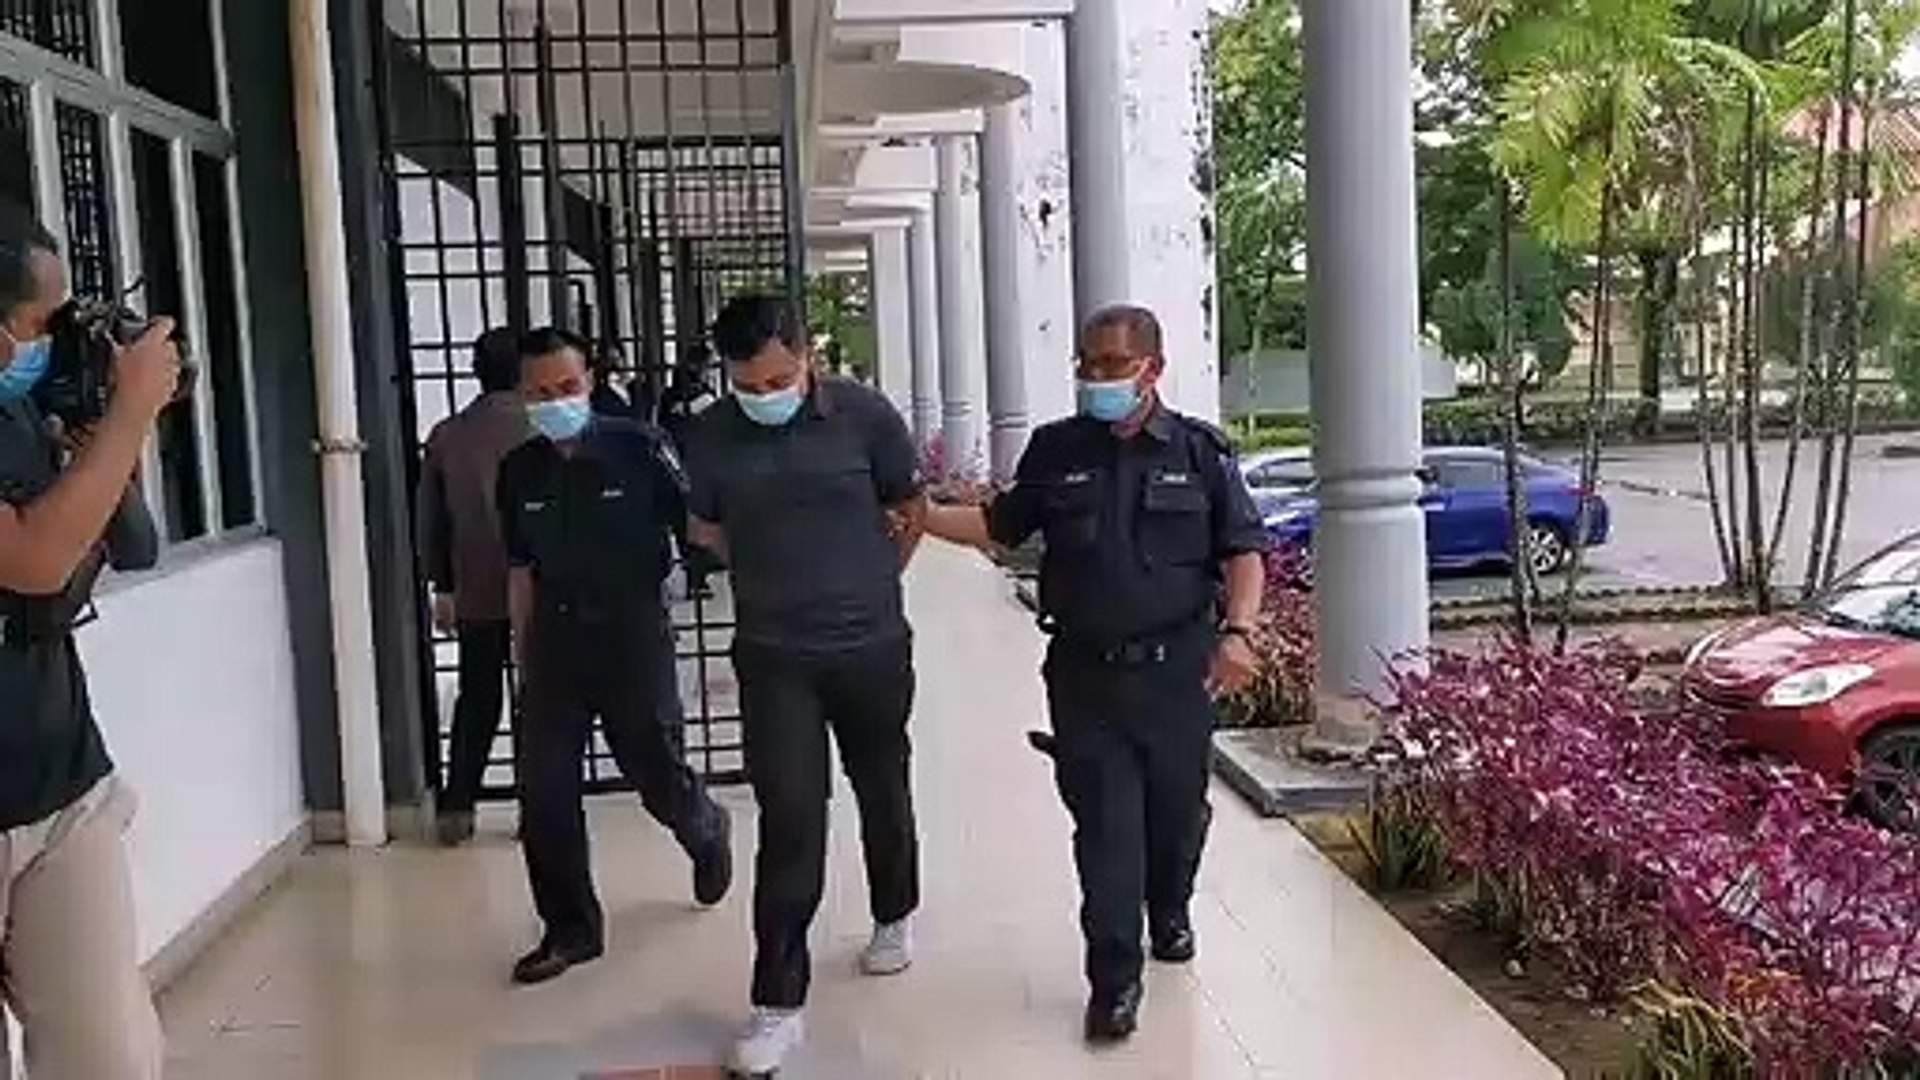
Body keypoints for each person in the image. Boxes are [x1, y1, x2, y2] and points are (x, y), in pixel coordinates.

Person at [923, 304, 1267, 1045]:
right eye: (1087, 363)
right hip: (1085, 677)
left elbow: (1242, 550)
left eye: (1113, 363)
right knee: (1106, 833)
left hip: (1178, 676)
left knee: (1175, 818)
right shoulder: (1056, 449)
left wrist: (1239, 633)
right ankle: (1113, 981)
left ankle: (1170, 906)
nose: (1096, 376)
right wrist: (918, 515)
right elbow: (1000, 526)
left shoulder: (1200, 452)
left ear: (1153, 368)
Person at [685, 295, 926, 1076]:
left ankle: (894, 912)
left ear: (807, 357)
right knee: (790, 818)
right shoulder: (711, 437)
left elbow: (909, 509)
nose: (764, 396)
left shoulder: (866, 418)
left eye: (778, 380)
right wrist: (770, 569)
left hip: (871, 648)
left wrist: (872, 581)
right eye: (747, 386)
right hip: (774, 654)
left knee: (882, 788)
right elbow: (706, 527)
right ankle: (777, 1003)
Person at [0, 202, 181, 1078]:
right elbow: (35, 560)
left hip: (60, 781)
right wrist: (131, 414)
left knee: (110, 1056)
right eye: (42, 325)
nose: (54, 344)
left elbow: (133, 544)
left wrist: (104, 436)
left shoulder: (20, 414)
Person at [495, 326, 733, 986]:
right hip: (555, 642)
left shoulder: (641, 448)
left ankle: (704, 826)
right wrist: (523, 653)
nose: (556, 401)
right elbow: (521, 570)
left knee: (655, 770)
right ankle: (570, 930)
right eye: (540, 393)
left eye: (567, 387)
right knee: (544, 791)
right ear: (523, 396)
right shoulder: (519, 471)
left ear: (591, 381)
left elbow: (697, 527)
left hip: (633, 633)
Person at [419, 327, 533, 846]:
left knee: (478, 696)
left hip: (475, 583)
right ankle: (537, 807)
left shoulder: (448, 436)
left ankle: (458, 804)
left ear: (475, 371)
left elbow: (432, 521)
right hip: (542, 587)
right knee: (541, 699)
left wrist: (443, 585)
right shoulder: (543, 429)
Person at [659, 344, 719, 600]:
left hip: (679, 462)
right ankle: (699, 574)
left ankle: (696, 573)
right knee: (699, 518)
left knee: (686, 521)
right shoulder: (702, 395)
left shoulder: (670, 395)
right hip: (696, 463)